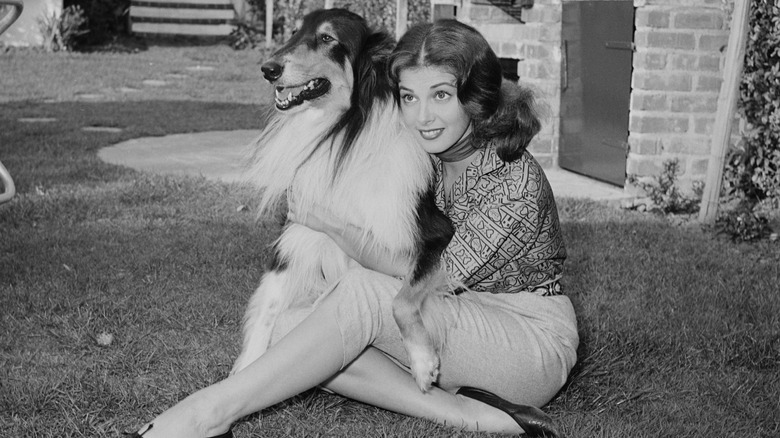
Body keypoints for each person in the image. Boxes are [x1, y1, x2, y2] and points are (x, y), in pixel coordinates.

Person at [129, 19, 578, 438]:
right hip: (457, 323)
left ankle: (208, 414)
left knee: (362, 294)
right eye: (408, 97)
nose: (422, 116)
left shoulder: (514, 177)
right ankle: (464, 412)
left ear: (474, 95)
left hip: (526, 340)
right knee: (291, 330)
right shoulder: (433, 156)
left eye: (440, 95)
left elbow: (432, 276)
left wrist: (328, 221)